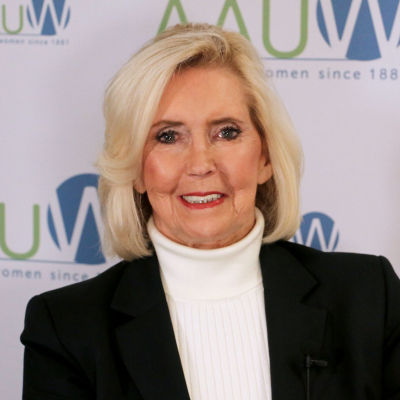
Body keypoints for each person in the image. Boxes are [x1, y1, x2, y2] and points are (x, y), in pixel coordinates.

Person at [21, 24, 400, 400]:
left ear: (265, 157)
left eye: (227, 132)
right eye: (168, 136)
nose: (201, 164)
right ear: (134, 169)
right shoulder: (67, 328)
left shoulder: (368, 296)